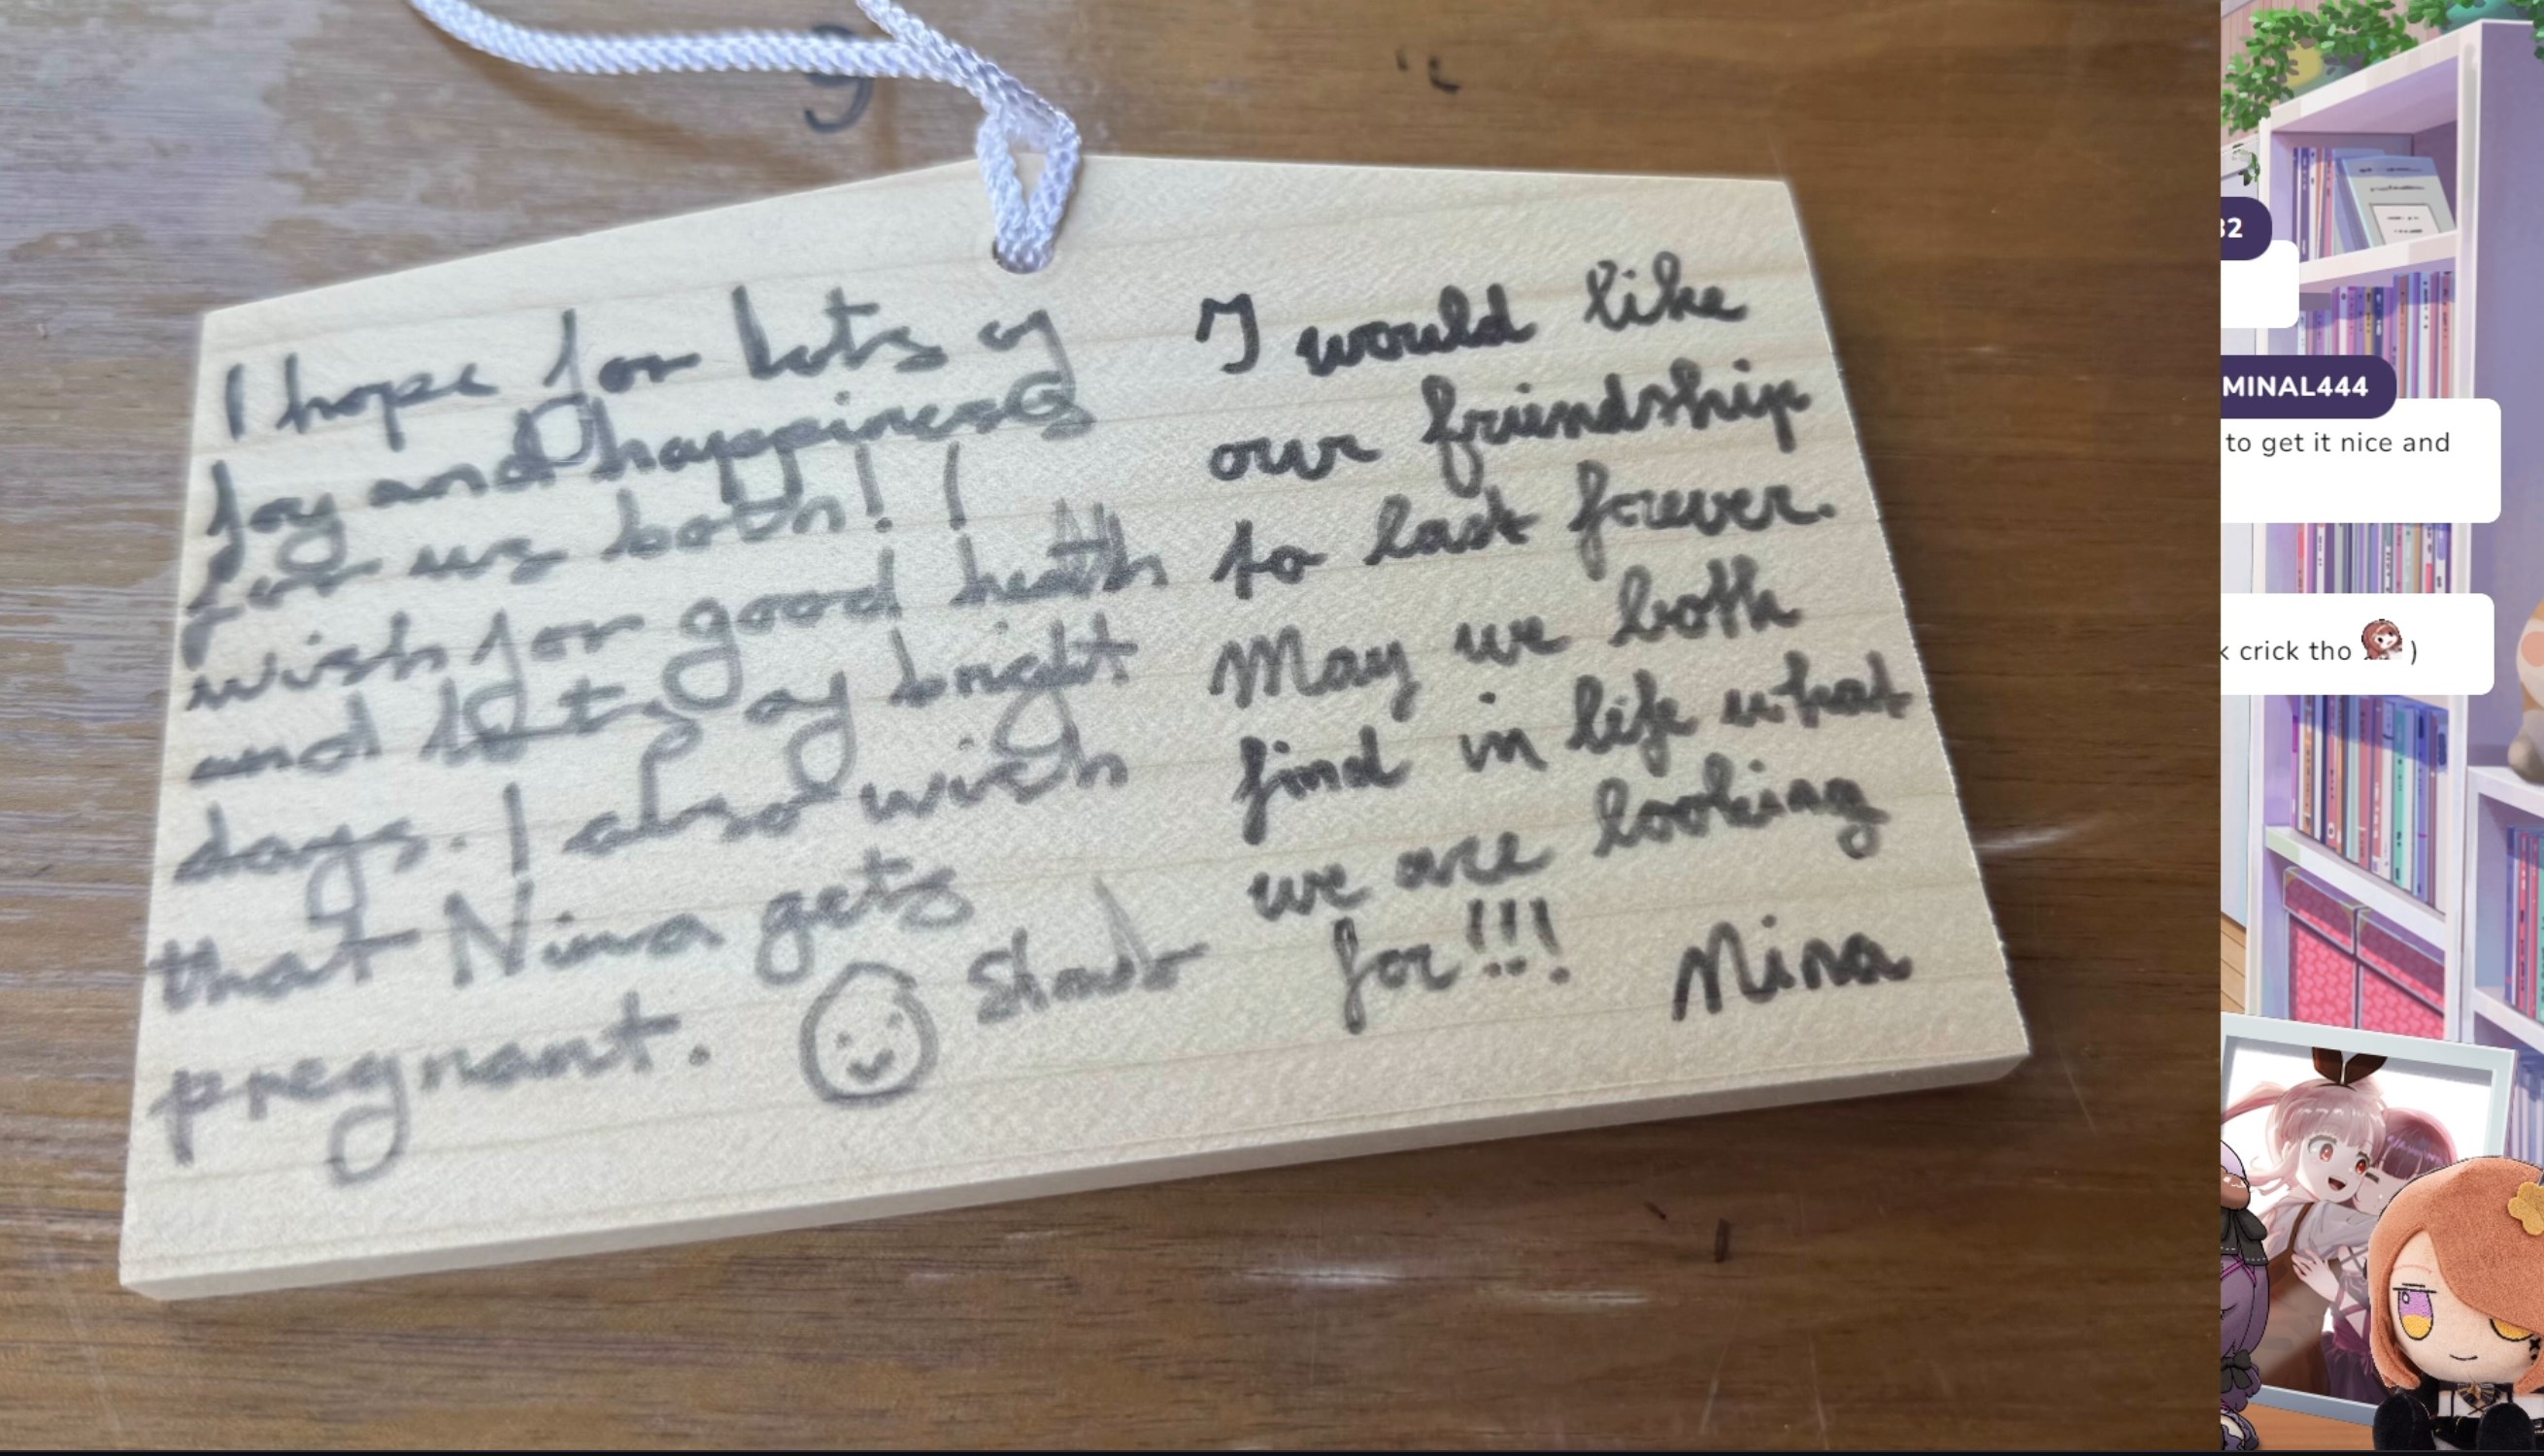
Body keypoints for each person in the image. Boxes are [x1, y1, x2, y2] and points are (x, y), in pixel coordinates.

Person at [2368, 1158, 2544, 1450]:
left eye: (2504, 1321)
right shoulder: (2431, 1386)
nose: (2460, 1341)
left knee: (2507, 1429)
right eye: (2417, 1310)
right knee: (2400, 1417)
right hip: (2444, 1439)